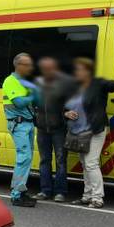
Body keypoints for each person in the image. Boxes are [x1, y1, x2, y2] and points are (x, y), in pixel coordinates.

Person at [64, 57, 114, 209]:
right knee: (84, 163)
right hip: (79, 130)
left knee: (91, 163)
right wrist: (66, 113)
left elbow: (112, 85)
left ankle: (97, 197)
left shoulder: (98, 83)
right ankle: (87, 196)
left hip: (95, 129)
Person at [33, 57, 77, 202]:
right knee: (44, 160)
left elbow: (70, 104)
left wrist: (64, 114)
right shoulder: (38, 83)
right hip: (42, 128)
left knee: (60, 161)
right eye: (44, 68)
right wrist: (35, 119)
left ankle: (60, 192)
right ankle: (45, 190)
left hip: (58, 128)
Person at [2, 53, 40, 207]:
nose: (30, 67)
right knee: (23, 158)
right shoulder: (10, 81)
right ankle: (17, 195)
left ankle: (21, 190)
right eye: (27, 64)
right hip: (19, 125)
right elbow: (19, 102)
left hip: (28, 124)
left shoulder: (24, 82)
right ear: (19, 65)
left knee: (27, 158)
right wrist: (33, 95)